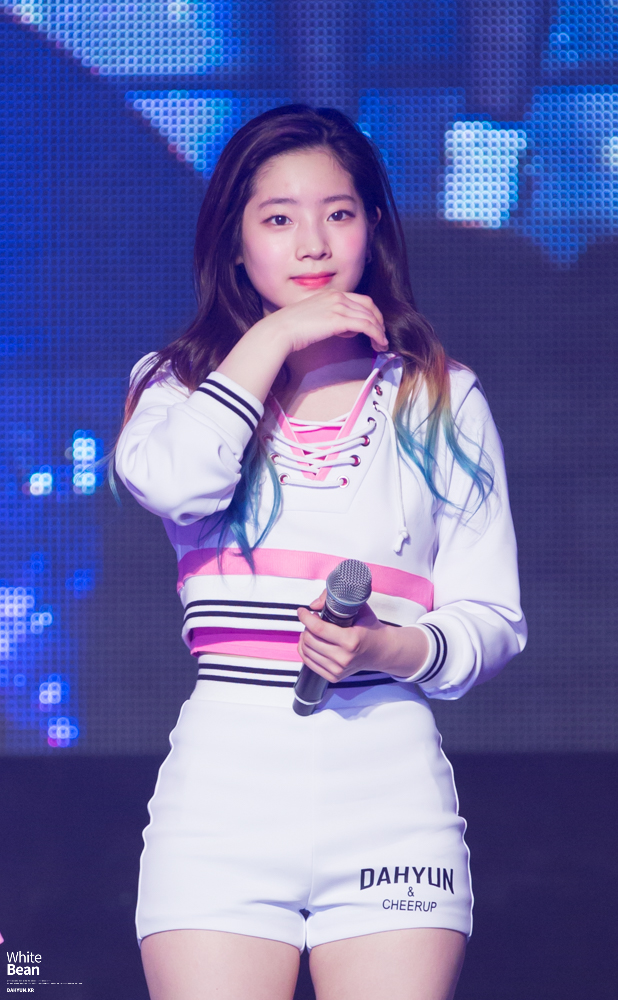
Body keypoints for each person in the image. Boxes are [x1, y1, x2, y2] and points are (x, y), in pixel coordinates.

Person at [114, 104, 526, 1000]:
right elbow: (178, 486)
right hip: (221, 803)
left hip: (391, 799)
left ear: (372, 227)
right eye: (277, 218)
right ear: (234, 243)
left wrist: (388, 647)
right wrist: (275, 335)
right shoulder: (175, 387)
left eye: (338, 213)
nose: (312, 243)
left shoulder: (441, 396)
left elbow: (494, 618)